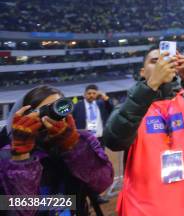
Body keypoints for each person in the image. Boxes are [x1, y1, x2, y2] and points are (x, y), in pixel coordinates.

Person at [103, 46, 184, 216]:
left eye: (167, 60)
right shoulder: (129, 107)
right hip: (145, 208)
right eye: (154, 61)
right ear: (143, 72)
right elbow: (114, 140)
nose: (162, 64)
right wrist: (151, 85)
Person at [0, 85, 114, 215]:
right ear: (25, 115)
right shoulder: (7, 154)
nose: (53, 116)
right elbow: (19, 210)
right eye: (44, 111)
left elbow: (102, 184)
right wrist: (21, 155)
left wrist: (74, 146)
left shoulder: (81, 140)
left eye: (58, 108)